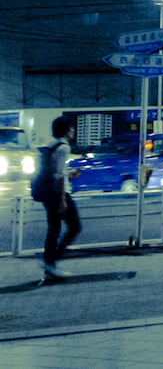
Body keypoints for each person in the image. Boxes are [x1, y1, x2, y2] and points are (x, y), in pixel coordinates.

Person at [41, 116, 81, 280]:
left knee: (54, 230)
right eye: (71, 128)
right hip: (59, 194)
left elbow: (55, 172)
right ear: (66, 130)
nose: (73, 130)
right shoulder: (64, 147)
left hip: (47, 193)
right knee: (75, 226)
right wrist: (63, 200)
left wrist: (68, 174)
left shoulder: (51, 144)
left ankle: (49, 265)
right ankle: (51, 261)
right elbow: (57, 175)